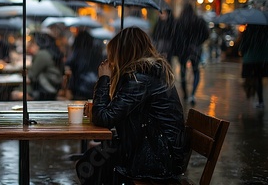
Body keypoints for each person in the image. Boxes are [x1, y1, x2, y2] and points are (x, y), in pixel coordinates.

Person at [76, 27, 186, 184]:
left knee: (89, 166)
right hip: (156, 149)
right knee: (89, 162)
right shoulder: (145, 74)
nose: (111, 60)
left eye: (113, 54)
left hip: (156, 158)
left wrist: (104, 79)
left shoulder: (140, 78)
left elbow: (104, 118)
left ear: (124, 53)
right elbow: (113, 113)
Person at [11, 31, 65, 100]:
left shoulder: (42, 54)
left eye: (33, 43)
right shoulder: (51, 53)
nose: (31, 45)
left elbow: (31, 75)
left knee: (15, 94)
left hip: (46, 92)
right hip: (52, 89)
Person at [173, 3, 210, 104]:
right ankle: (193, 94)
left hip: (183, 50)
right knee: (196, 70)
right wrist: (197, 43)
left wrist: (178, 48)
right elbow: (206, 34)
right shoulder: (199, 20)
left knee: (183, 71)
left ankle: (185, 94)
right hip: (195, 49)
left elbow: (175, 37)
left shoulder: (179, 21)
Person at [238, 24, 268, 111]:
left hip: (254, 59)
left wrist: (242, 51)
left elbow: (244, 45)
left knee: (258, 79)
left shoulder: (250, 30)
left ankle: (261, 102)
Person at [66, 30, 104, 100]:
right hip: (94, 87)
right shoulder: (97, 53)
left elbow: (70, 63)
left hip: (79, 88)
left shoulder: (78, 52)